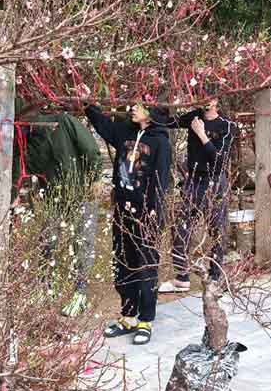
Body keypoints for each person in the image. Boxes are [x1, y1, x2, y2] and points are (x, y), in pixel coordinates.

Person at [85, 102, 172, 345]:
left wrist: (154, 212)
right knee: (123, 261)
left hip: (146, 213)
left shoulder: (160, 141)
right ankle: (128, 315)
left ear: (152, 111)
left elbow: (161, 179)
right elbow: (103, 126)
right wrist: (88, 105)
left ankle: (145, 319)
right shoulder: (125, 132)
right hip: (122, 210)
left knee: (145, 265)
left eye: (140, 105)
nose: (132, 108)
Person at [11, 100, 102, 318]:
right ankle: (46, 288)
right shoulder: (25, 138)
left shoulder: (63, 122)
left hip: (82, 192)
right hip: (53, 195)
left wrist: (96, 177)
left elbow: (90, 149)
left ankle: (80, 294)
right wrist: (14, 195)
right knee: (47, 240)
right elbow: (21, 165)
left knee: (81, 243)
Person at [159, 97, 237, 293]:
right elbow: (170, 122)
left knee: (216, 230)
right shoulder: (194, 116)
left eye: (208, 98)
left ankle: (216, 277)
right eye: (200, 96)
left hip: (215, 182)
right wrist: (149, 104)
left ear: (217, 101)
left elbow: (219, 161)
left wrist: (202, 134)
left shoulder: (227, 126)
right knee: (180, 227)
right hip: (193, 182)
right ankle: (182, 277)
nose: (203, 101)